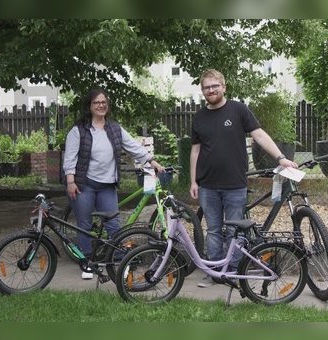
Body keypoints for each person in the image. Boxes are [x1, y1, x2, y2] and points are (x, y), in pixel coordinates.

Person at [189, 69, 298, 288]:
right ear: (202, 91)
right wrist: (193, 181)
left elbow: (259, 135)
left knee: (234, 231)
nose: (210, 90)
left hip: (234, 184)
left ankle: (234, 273)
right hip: (208, 185)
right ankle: (215, 273)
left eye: (214, 86)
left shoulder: (238, 110)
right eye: (206, 87)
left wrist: (280, 158)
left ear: (223, 87)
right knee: (212, 230)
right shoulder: (199, 117)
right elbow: (195, 151)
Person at [63, 88, 164, 279]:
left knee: (113, 225)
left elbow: (134, 147)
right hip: (84, 184)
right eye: (96, 103)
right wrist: (70, 181)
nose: (101, 105)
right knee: (84, 223)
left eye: (104, 102)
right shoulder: (79, 130)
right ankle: (87, 263)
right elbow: (70, 158)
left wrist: (152, 162)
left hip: (107, 185)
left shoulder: (114, 128)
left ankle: (119, 260)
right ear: (89, 106)